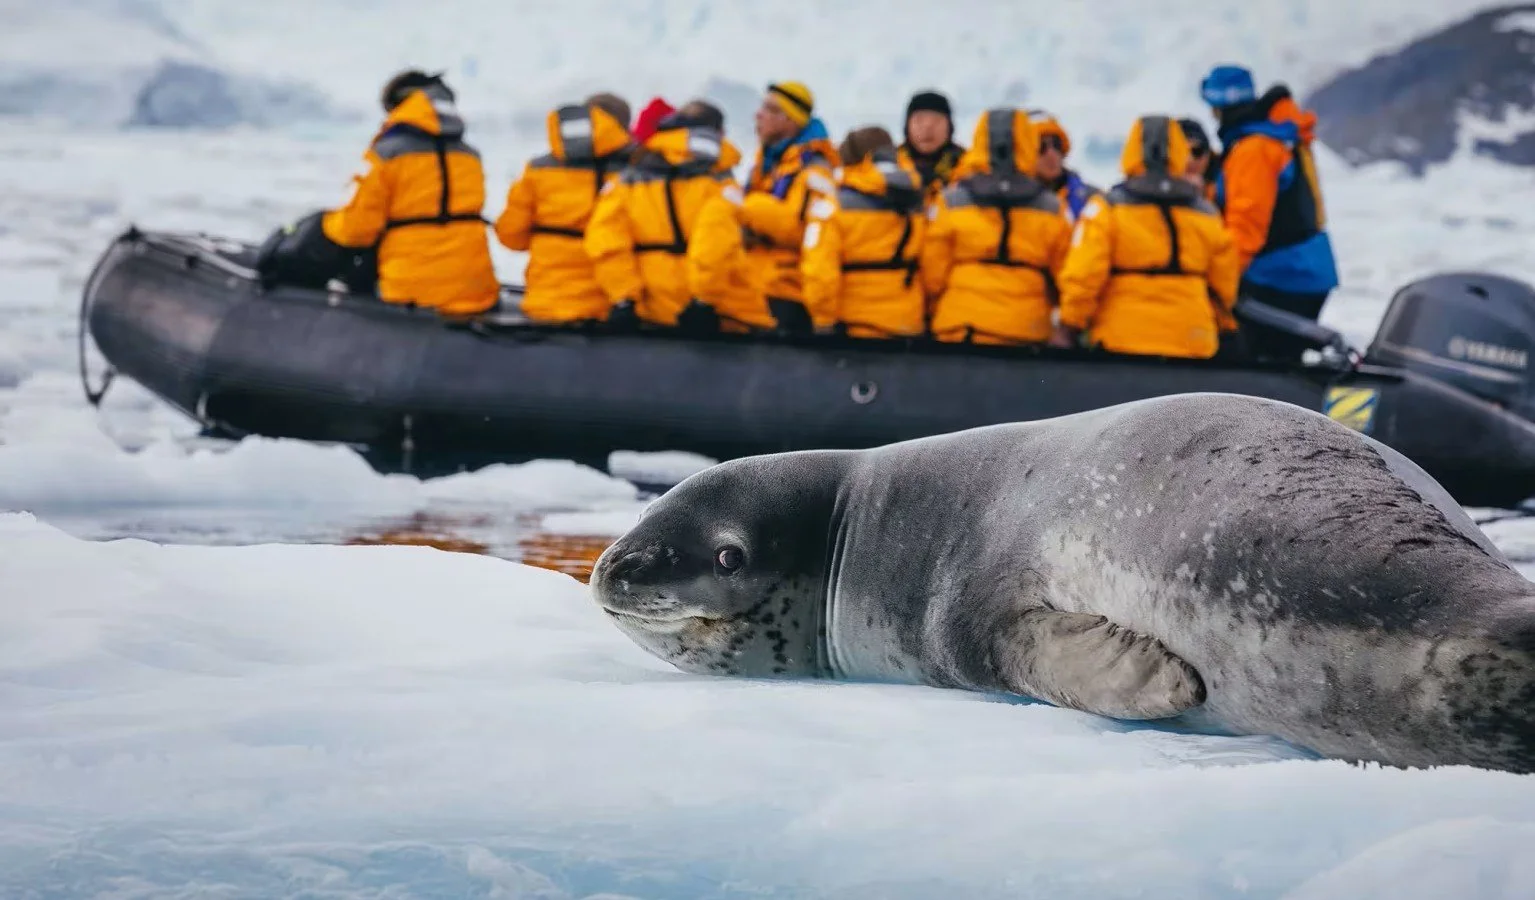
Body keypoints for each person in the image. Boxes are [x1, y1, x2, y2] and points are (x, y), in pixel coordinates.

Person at [1055, 116, 1240, 360]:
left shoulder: (1107, 209)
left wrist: (1070, 325)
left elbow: (1084, 274)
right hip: (1192, 341)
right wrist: (1219, 324)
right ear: (1178, 153)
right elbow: (1224, 285)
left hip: (1122, 341)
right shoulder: (1206, 214)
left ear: (1132, 151)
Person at [317, 70, 499, 316]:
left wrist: (323, 225)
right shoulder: (470, 157)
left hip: (411, 292)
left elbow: (354, 229)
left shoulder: (385, 154)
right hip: (475, 291)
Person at [584, 101, 773, 332]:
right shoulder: (719, 181)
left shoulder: (624, 181)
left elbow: (606, 241)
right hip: (721, 316)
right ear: (718, 134)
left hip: (650, 309)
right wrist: (703, 300)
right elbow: (714, 244)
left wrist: (623, 298)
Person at [1200, 64, 1340, 357]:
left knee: (1260, 356)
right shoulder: (1273, 138)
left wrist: (1217, 286)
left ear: (1217, 106)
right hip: (1301, 270)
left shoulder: (1255, 149)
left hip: (1282, 275)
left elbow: (1246, 229)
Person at [922, 108, 1072, 345]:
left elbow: (932, 274)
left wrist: (932, 311)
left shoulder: (951, 200)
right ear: (1027, 142)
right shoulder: (1051, 207)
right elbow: (1068, 274)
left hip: (961, 327)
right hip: (1027, 331)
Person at [494, 93, 633, 324]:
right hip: (617, 308)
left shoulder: (538, 171)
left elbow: (511, 236)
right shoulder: (638, 175)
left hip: (547, 302)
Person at [801, 126, 927, 338]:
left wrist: (823, 320)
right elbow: (932, 264)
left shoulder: (832, 207)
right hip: (908, 323)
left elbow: (819, 271)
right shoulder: (917, 201)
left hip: (854, 326)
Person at [738, 81, 841, 335]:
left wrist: (746, 210)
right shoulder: (767, 165)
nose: (758, 115)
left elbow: (800, 229)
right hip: (752, 288)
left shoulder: (815, 169)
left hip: (785, 294)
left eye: (770, 109)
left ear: (790, 121)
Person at [1028, 110, 1103, 223]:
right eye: (1040, 146)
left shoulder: (1093, 200)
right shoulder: (1009, 205)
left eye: (1056, 144)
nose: (1051, 154)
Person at [896, 90, 966, 199]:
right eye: (919, 120)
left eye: (936, 121)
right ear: (907, 126)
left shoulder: (969, 167)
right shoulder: (888, 165)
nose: (927, 127)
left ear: (950, 127)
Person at [1177, 116, 1218, 203]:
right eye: (1181, 152)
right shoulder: (1151, 188)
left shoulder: (1227, 185)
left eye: (1197, 152)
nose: (1189, 160)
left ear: (1208, 155)